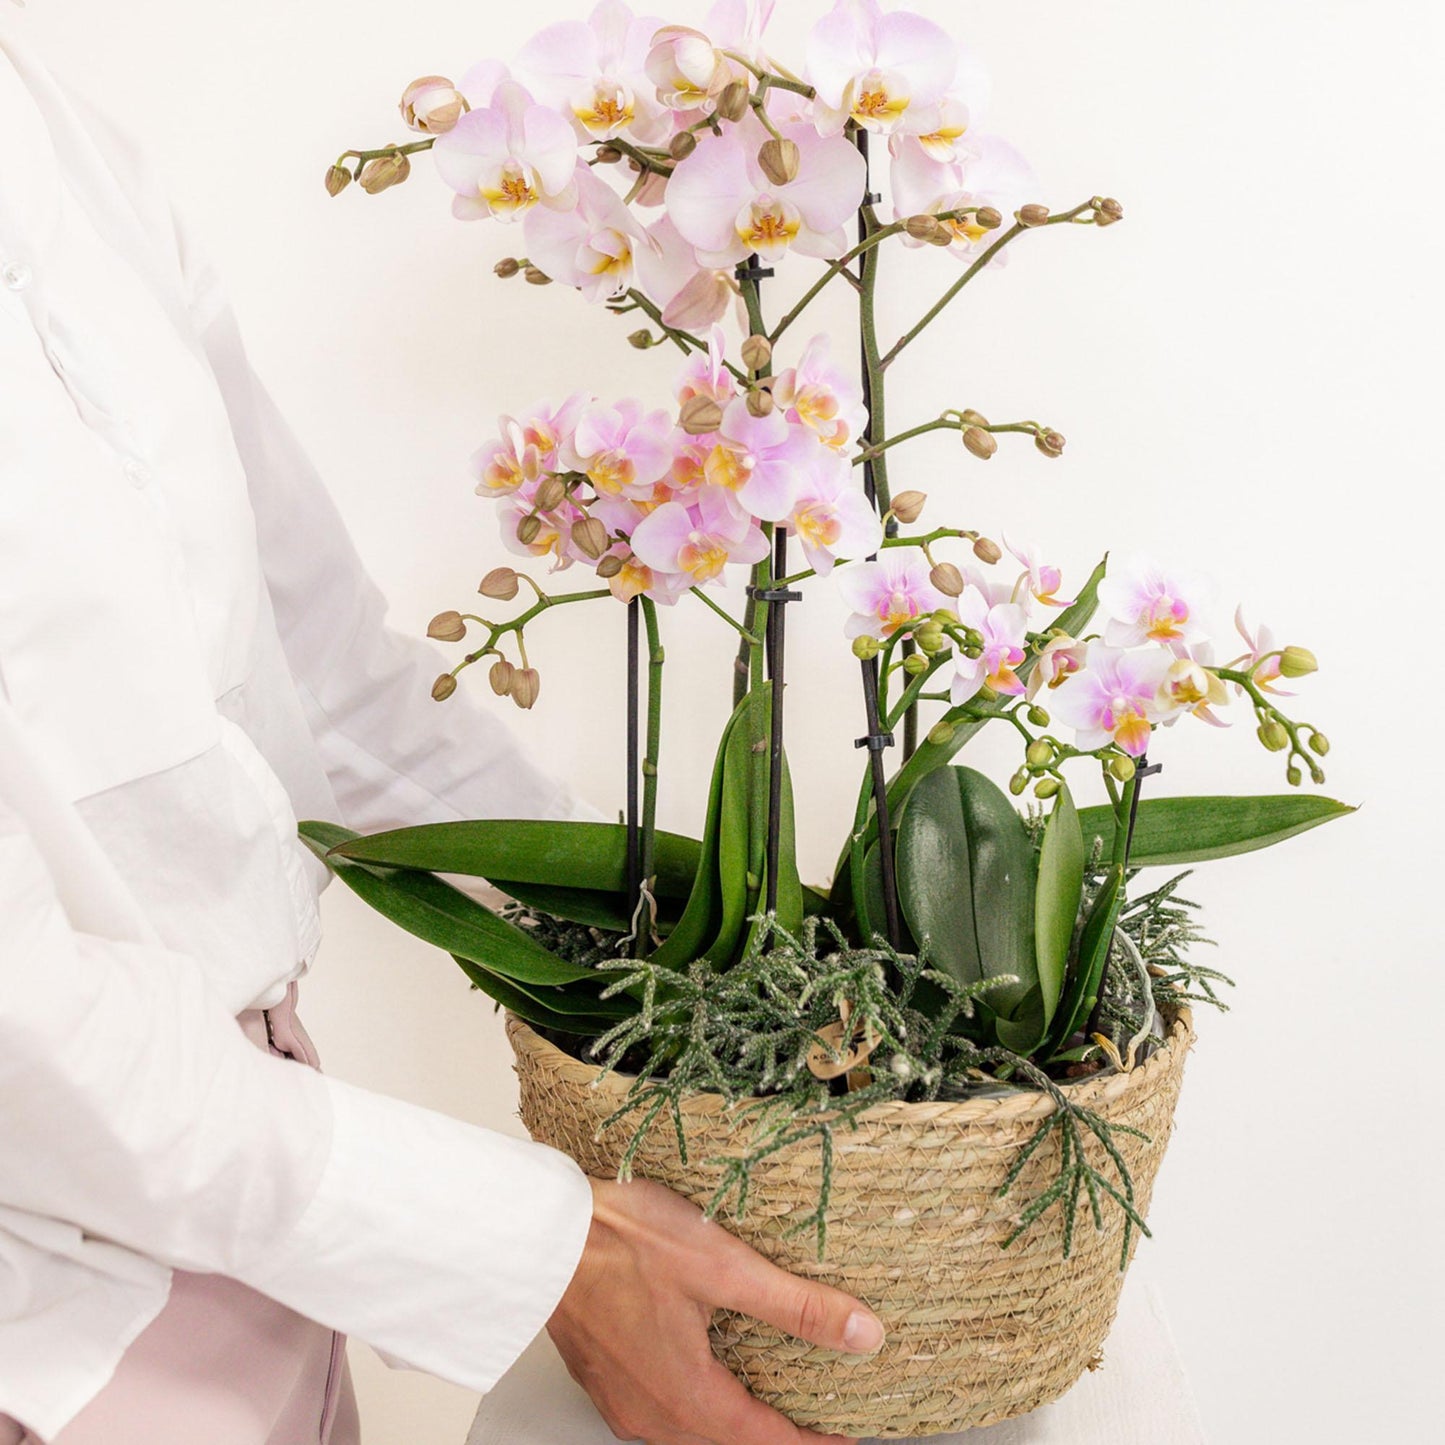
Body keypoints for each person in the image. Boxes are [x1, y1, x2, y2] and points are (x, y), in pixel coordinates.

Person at [0, 7, 883, 1443]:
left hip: (264, 1217)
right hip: (51, 1320)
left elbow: (327, 672)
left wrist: (724, 972)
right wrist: (537, 1252)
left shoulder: (60, 140)